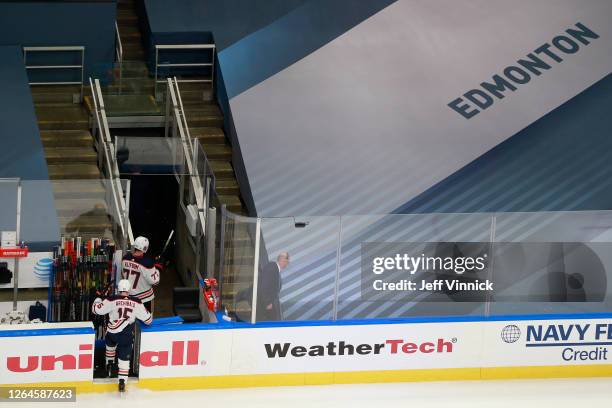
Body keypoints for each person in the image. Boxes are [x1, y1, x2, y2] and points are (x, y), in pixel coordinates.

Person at [92, 279, 152, 392]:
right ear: (129, 289)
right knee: (124, 358)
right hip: (126, 335)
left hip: (112, 333)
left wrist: (98, 299)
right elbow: (148, 320)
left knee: (110, 344)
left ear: (118, 289)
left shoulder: (111, 299)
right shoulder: (137, 302)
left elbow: (96, 310)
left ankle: (109, 365)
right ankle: (122, 382)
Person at [121, 236, 161, 313]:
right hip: (145, 298)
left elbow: (123, 274)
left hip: (129, 297)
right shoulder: (147, 263)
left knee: (131, 321)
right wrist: (158, 268)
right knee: (147, 321)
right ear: (145, 248)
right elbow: (155, 281)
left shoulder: (125, 258)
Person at [257, 252, 290, 321]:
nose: (287, 264)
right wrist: (268, 302)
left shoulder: (275, 269)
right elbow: (264, 285)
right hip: (266, 305)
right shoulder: (272, 267)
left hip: (268, 305)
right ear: (282, 259)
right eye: (287, 261)